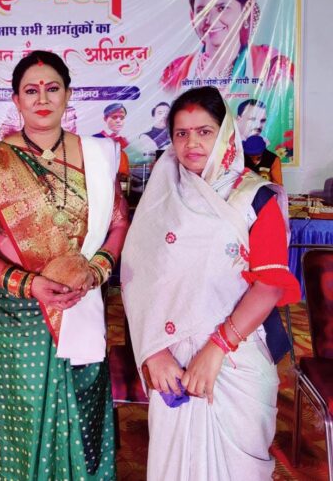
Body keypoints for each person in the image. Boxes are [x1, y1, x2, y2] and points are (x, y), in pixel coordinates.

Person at [0, 50, 129, 480]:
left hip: (81, 305)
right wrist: (26, 284)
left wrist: (97, 270)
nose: (42, 98)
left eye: (52, 88)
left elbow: (119, 222)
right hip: (15, 317)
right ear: (16, 100)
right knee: (22, 420)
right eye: (31, 90)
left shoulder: (96, 156)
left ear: (68, 95)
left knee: (82, 416)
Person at [121, 86, 300, 480]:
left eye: (204, 132)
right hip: (170, 354)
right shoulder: (161, 199)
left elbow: (269, 286)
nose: (192, 143)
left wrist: (216, 348)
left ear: (225, 134)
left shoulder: (255, 198)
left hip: (236, 354)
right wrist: (154, 351)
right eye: (181, 133)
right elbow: (138, 277)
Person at [160, 0, 294, 92]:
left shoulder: (272, 65)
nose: (211, 20)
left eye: (222, 8)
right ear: (192, 16)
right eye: (201, 11)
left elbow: (284, 103)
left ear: (245, 10)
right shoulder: (176, 72)